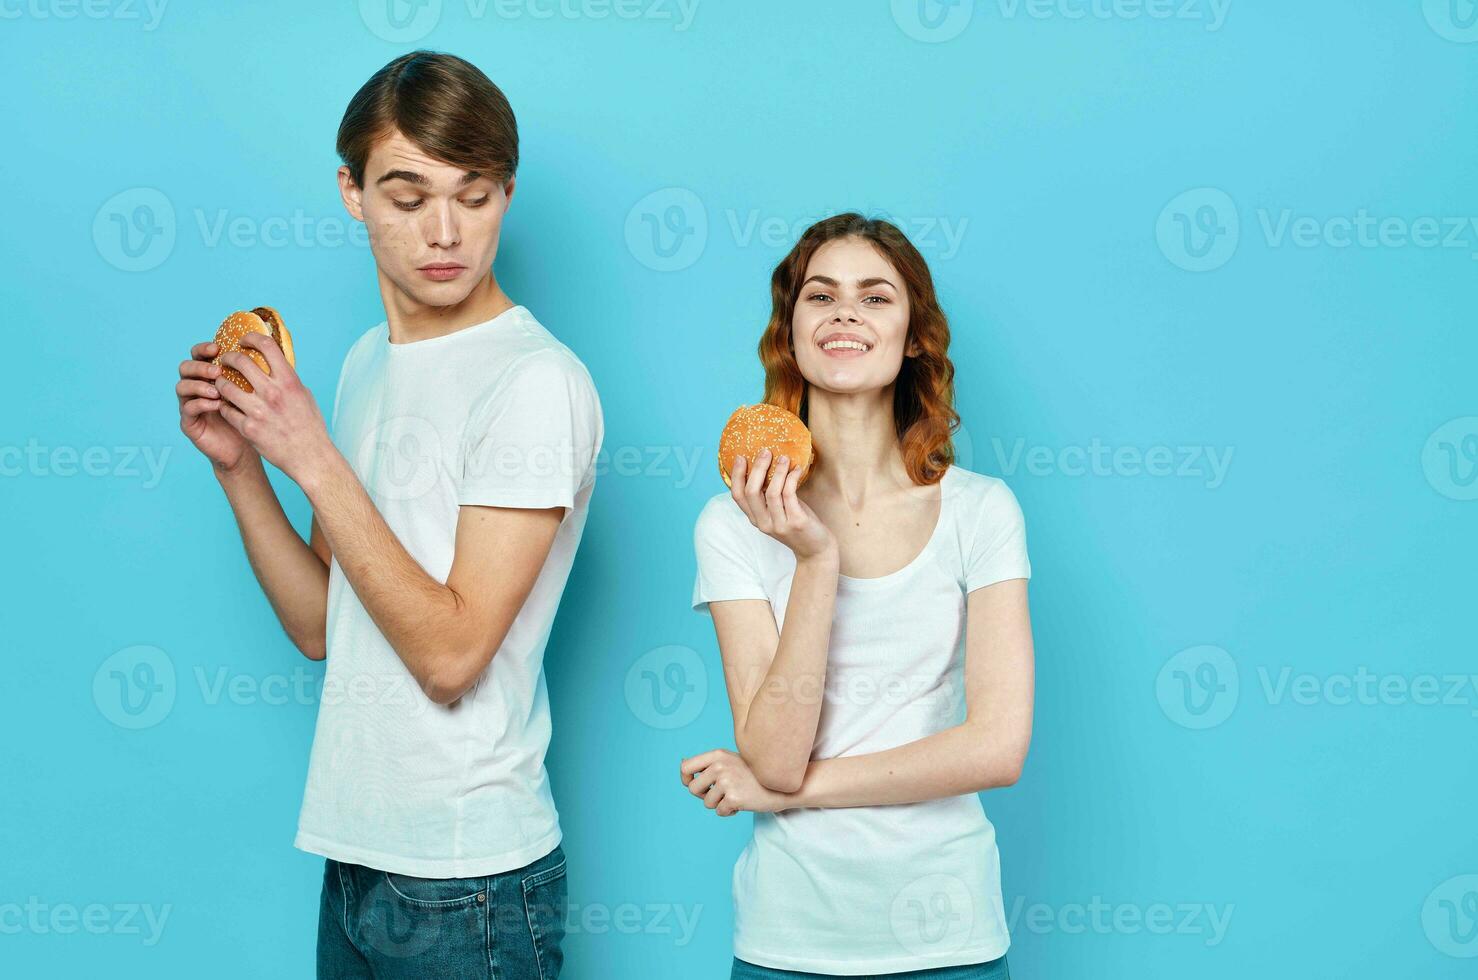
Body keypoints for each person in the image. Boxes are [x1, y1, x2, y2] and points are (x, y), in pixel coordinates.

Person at [174, 50, 602, 978]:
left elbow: (451, 657)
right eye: (407, 198)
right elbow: (320, 625)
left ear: (507, 195)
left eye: (474, 194)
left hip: (470, 876)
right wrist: (244, 472)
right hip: (357, 856)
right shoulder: (368, 360)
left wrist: (314, 457)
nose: (444, 231)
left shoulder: (534, 382)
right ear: (352, 193)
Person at [682, 213, 1034, 978]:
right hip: (788, 938)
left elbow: (998, 748)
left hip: (950, 935)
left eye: (876, 297)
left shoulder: (982, 511)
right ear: (793, 331)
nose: (845, 312)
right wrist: (814, 559)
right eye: (821, 296)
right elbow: (772, 757)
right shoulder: (731, 523)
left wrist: (788, 793)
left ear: (913, 336)